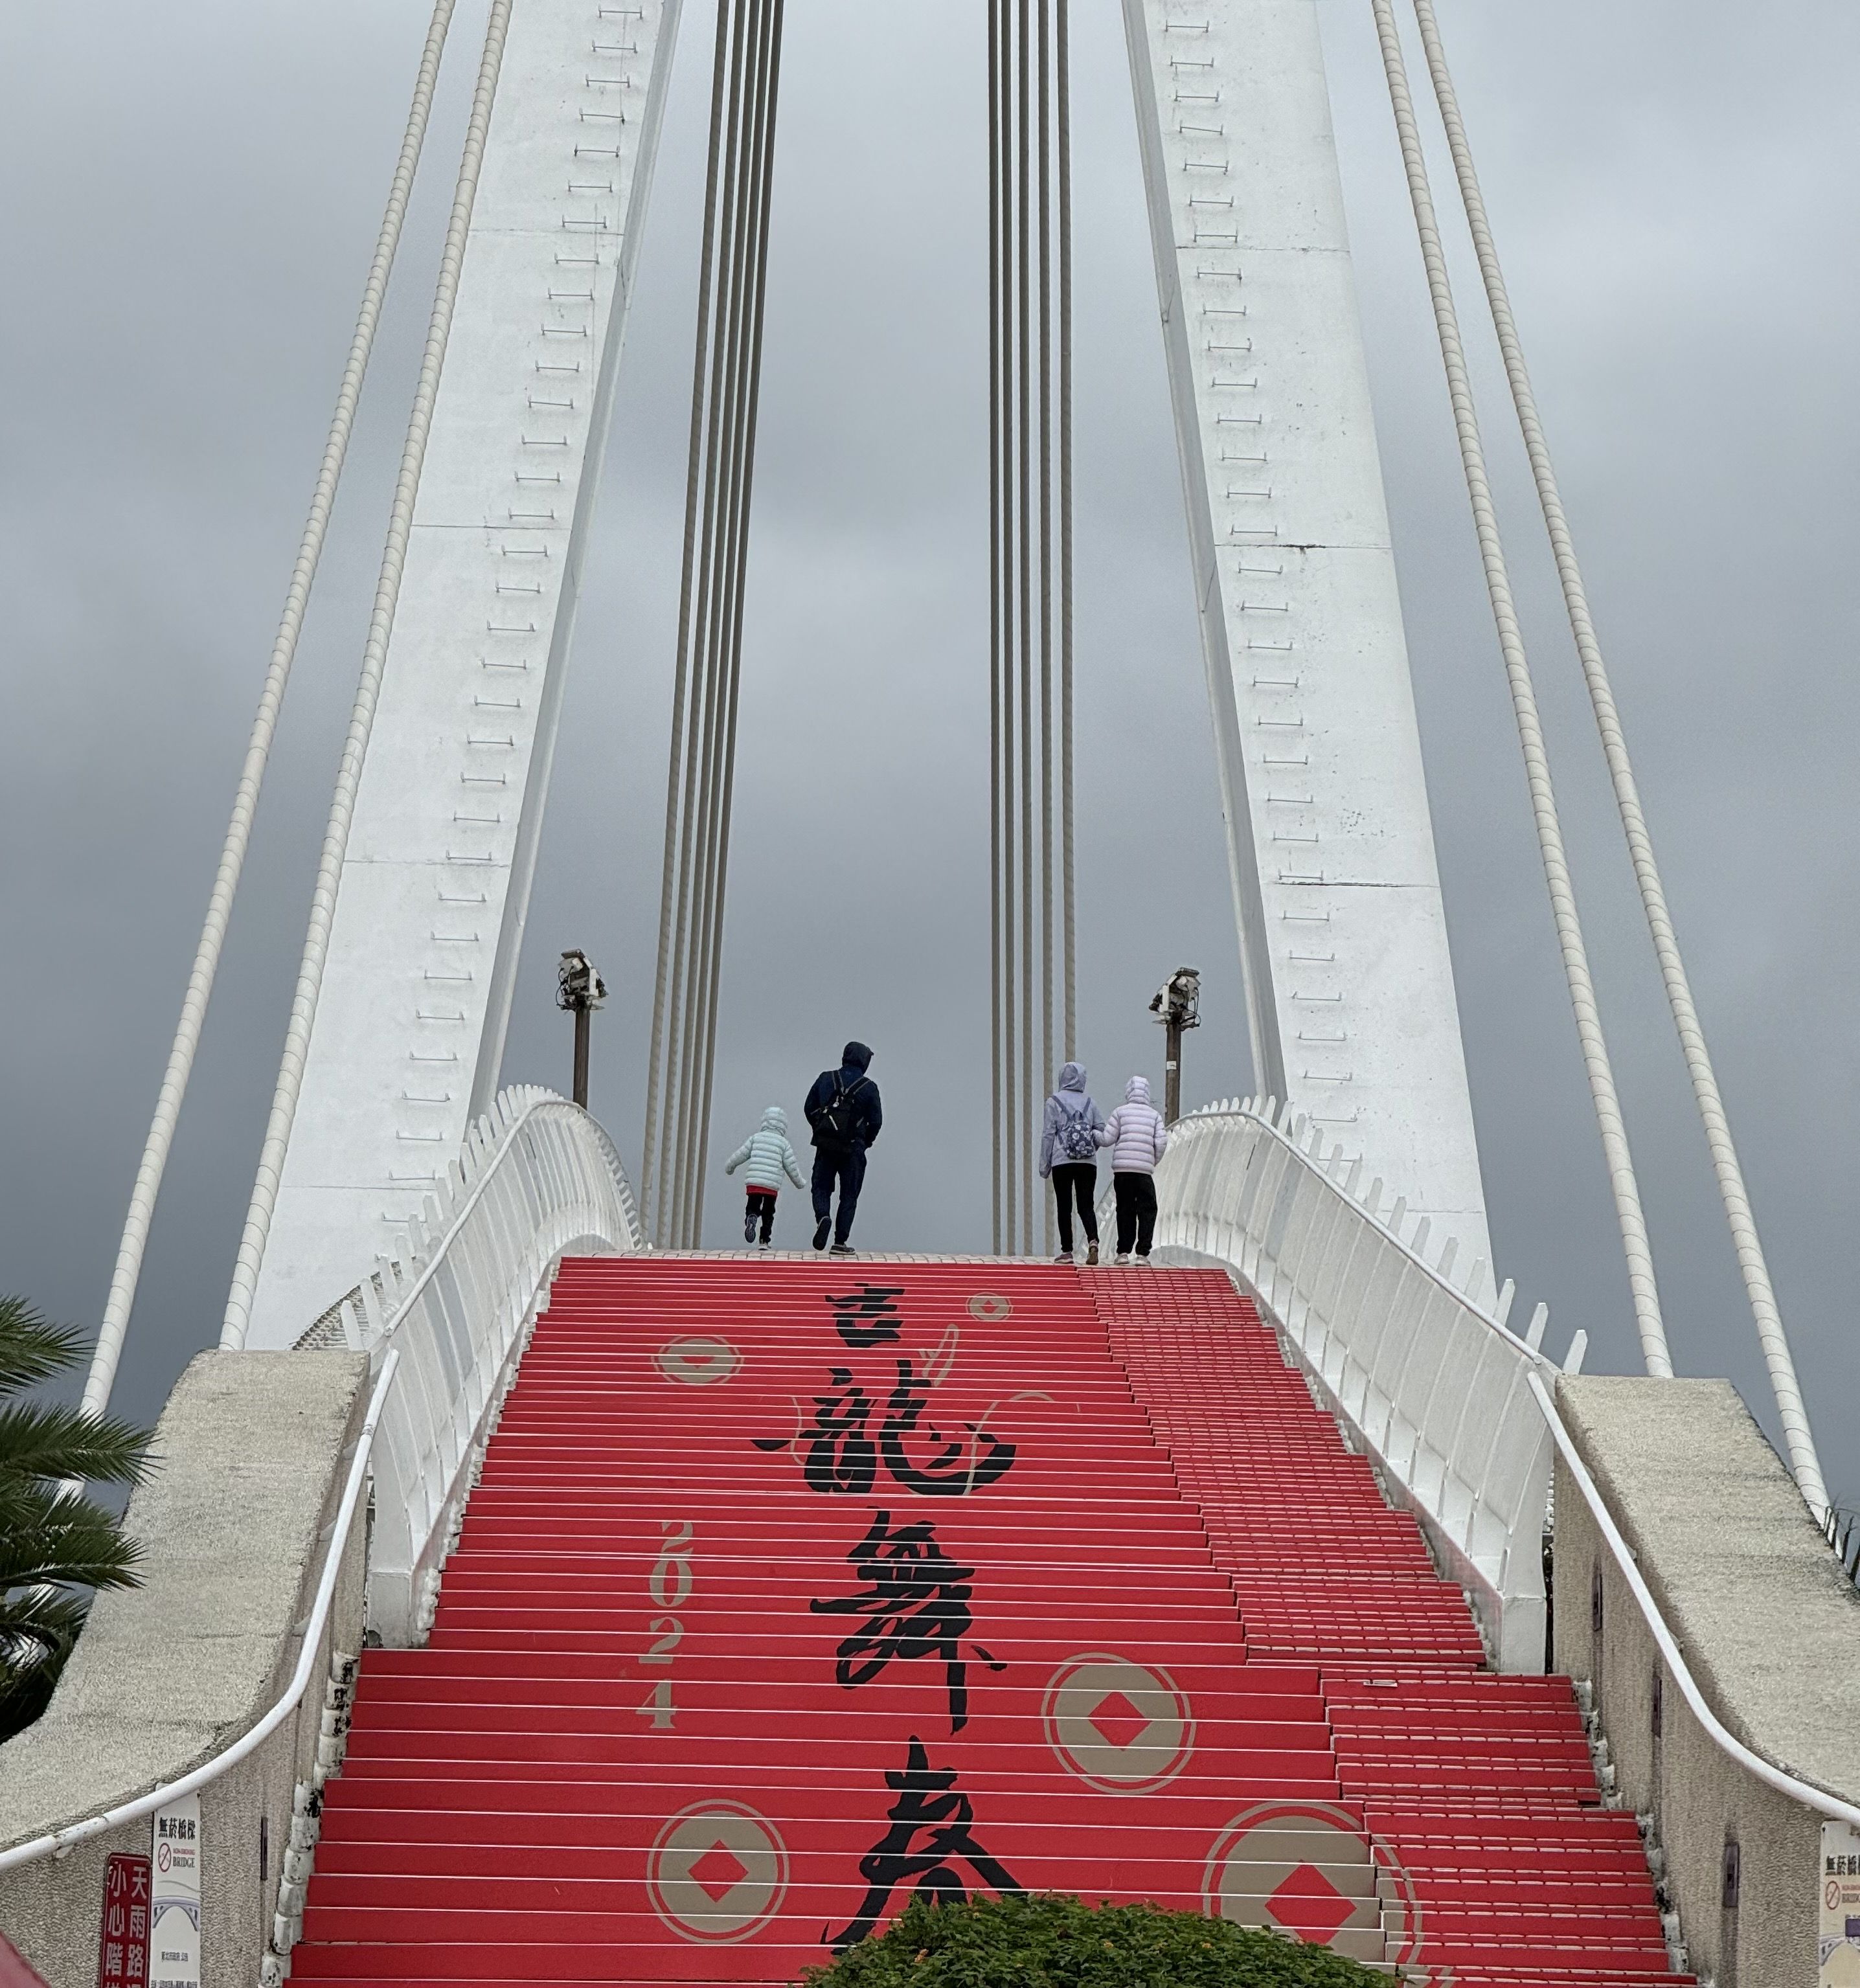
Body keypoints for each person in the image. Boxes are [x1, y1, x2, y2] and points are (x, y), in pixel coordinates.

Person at [804, 1041, 882, 1255]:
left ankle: (823, 1217)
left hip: (826, 1144)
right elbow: (876, 1122)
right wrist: (865, 1141)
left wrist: (821, 1128)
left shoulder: (826, 1078)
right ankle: (840, 1241)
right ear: (864, 1061)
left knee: (820, 1187)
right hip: (853, 1149)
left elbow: (809, 1107)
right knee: (849, 1195)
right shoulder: (869, 1087)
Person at [1038, 1061, 1104, 1265]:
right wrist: (1089, 1148)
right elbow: (1101, 1129)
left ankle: (1067, 1251)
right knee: (1086, 1204)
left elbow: (1048, 1135)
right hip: (1087, 1162)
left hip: (1062, 1161)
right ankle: (1093, 1241)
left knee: (1064, 1205)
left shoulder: (1053, 1102)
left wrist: (1044, 1165)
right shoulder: (1090, 1102)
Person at [1098, 1074, 1168, 1263]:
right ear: (1147, 1093)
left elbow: (1107, 1139)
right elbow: (1161, 1143)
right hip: (1144, 1172)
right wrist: (1152, 1161)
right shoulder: (1154, 1116)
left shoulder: (1120, 1112)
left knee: (1125, 1209)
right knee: (1148, 1209)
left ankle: (1123, 1253)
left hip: (1122, 1171)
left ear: (1129, 1092)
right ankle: (1143, 1254)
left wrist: (1093, 1135)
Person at [724, 1103, 807, 1250]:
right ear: (783, 1125)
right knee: (769, 1212)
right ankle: (764, 1241)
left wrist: (730, 1167)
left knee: (753, 1205)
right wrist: (800, 1183)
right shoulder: (784, 1144)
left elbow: (740, 1155)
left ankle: (752, 1217)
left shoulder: (755, 1138)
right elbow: (791, 1167)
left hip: (754, 1183)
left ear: (764, 1121)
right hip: (771, 1186)